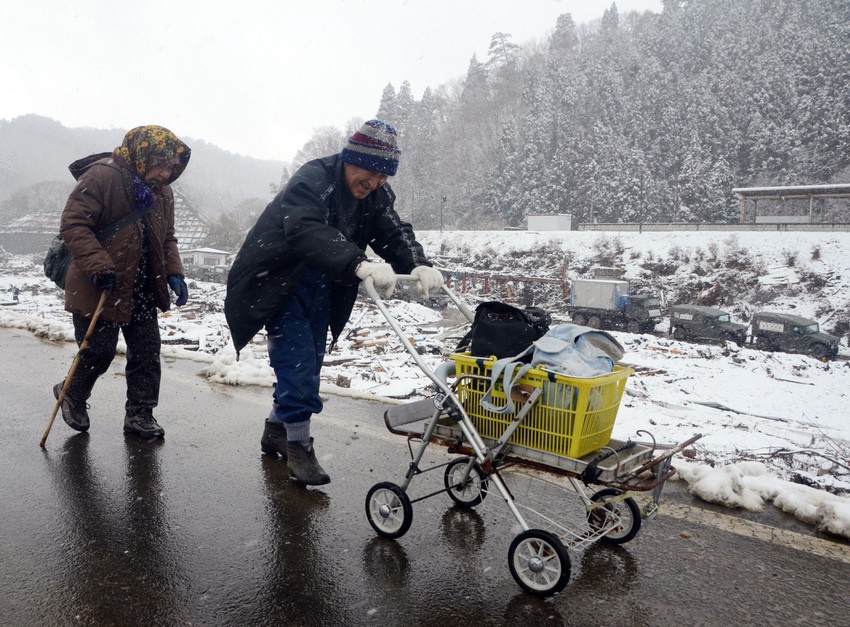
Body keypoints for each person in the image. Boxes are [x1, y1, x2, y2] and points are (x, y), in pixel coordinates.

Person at [225, 119, 444, 486]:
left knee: (310, 361)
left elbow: (392, 232)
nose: (374, 183)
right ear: (350, 158)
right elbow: (305, 229)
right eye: (370, 173)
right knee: (296, 362)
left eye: (383, 178)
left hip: (324, 282)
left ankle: (277, 429)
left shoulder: (374, 196)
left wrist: (418, 264)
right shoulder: (313, 180)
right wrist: (359, 263)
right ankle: (299, 446)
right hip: (279, 280)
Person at [54, 125, 191, 439]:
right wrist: (99, 264)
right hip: (101, 284)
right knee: (98, 351)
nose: (165, 173)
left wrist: (174, 272)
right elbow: (74, 224)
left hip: (143, 283)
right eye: (162, 164)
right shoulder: (102, 177)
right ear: (143, 156)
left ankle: (140, 414)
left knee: (146, 353)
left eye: (172, 167)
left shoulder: (163, 192)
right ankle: (71, 394)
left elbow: (167, 238)